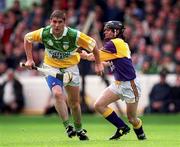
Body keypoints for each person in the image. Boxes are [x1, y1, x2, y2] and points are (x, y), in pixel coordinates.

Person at [23, 10, 103, 140]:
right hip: (51, 68)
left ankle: (79, 129)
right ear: (50, 22)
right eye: (54, 22)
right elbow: (27, 38)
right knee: (57, 93)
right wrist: (29, 59)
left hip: (71, 70)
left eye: (60, 22)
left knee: (74, 103)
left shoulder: (74, 35)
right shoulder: (44, 33)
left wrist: (98, 64)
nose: (57, 25)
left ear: (64, 23)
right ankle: (68, 126)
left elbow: (93, 45)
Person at [80, 21, 146, 140]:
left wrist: (84, 55)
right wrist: (90, 57)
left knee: (132, 119)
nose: (105, 31)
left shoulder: (115, 43)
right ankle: (121, 127)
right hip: (118, 84)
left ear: (116, 31)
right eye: (105, 29)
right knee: (99, 105)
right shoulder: (118, 44)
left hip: (130, 85)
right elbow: (111, 61)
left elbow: (95, 56)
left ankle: (141, 135)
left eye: (108, 29)